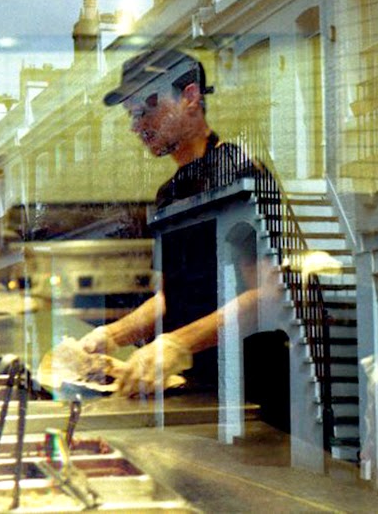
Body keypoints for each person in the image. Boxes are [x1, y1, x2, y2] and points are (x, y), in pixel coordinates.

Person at [54, 48, 281, 398]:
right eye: (132, 115)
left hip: (250, 389)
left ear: (190, 97)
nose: (137, 126)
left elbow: (268, 295)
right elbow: (170, 298)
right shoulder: (168, 195)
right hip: (195, 387)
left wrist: (177, 344)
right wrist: (111, 336)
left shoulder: (238, 173)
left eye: (147, 109)